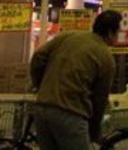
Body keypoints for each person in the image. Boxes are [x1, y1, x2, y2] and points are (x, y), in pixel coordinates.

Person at [30, 10, 122, 150]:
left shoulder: (68, 36)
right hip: (71, 114)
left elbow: (38, 56)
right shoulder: (106, 58)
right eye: (118, 32)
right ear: (110, 32)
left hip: (43, 108)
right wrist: (94, 131)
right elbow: (100, 99)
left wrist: (39, 84)